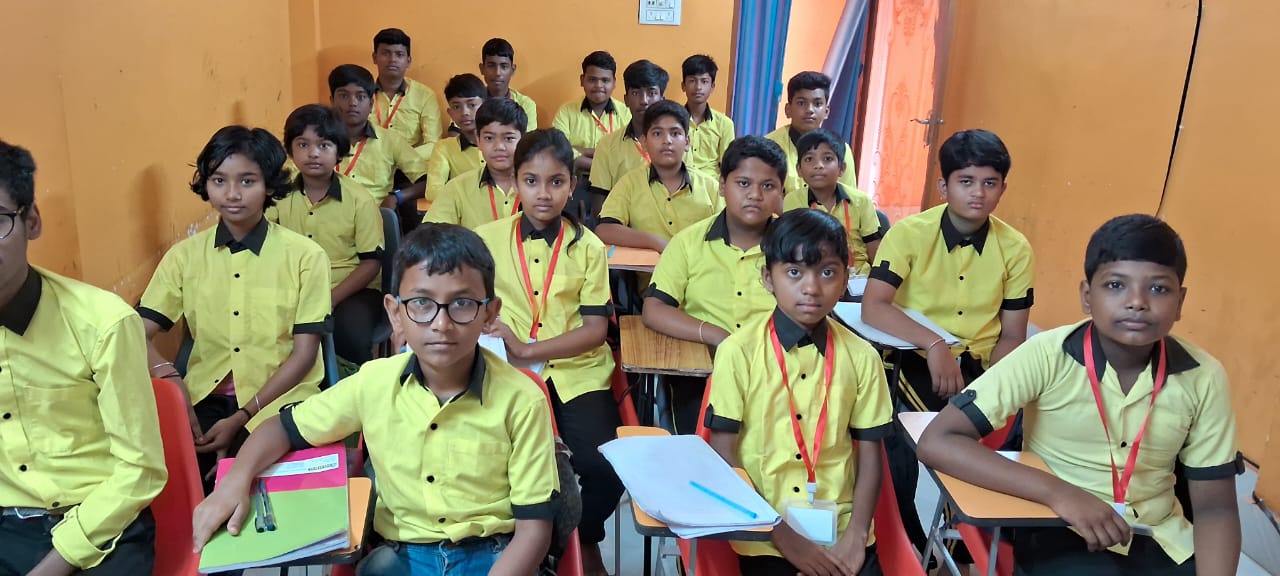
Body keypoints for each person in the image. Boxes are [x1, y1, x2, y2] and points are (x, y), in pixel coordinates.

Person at [192, 223, 559, 576]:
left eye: (462, 303)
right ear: (395, 313)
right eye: (421, 303)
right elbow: (282, 429)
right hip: (403, 556)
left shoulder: (522, 400)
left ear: (490, 314)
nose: (441, 324)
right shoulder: (373, 383)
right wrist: (236, 481)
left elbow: (534, 531)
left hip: (495, 555)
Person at [918, 214, 1242, 576]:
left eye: (1158, 289)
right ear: (1087, 296)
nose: (1137, 302)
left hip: (1160, 537)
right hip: (1059, 525)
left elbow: (1216, 507)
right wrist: (1060, 493)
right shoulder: (1046, 355)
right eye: (1116, 285)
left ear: (1180, 302)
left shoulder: (1204, 376)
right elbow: (937, 441)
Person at [862, 128, 1033, 554]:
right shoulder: (909, 234)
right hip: (913, 356)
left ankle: (968, 548)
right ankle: (907, 541)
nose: (978, 193)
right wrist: (935, 344)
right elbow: (874, 307)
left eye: (990, 183)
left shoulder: (1015, 248)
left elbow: (1013, 334)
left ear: (1003, 189)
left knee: (1009, 439)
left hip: (982, 367)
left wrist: (994, 389)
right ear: (944, 186)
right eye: (966, 181)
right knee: (903, 439)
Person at [0, 140, 166, 575]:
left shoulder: (103, 323)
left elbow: (140, 470)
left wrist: (51, 566)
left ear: (31, 221)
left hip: (100, 518)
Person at [138, 126, 332, 492]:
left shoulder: (306, 257)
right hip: (204, 400)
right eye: (219, 180)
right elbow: (136, 332)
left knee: (261, 488)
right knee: (178, 484)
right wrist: (171, 379)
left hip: (280, 401)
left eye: (247, 181)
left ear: (269, 186)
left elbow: (304, 355)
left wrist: (243, 416)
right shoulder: (184, 257)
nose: (231, 194)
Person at [707, 209, 892, 576]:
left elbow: (871, 455)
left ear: (845, 279)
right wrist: (781, 535)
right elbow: (723, 453)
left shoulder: (863, 357)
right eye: (794, 272)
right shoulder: (738, 352)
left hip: (841, 527)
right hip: (763, 525)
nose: (811, 288)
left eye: (827, 272)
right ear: (768, 278)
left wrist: (856, 535)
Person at [475, 129, 622, 576]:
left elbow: (595, 330)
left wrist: (529, 347)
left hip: (576, 371)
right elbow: (465, 301)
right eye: (531, 181)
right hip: (504, 371)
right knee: (497, 463)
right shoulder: (485, 240)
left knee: (604, 469)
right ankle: (525, 544)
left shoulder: (589, 247)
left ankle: (581, 537)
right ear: (515, 182)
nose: (543, 193)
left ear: (572, 185)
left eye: (556, 181)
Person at [642, 136, 787, 434]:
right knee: (703, 446)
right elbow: (654, 309)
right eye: (743, 183)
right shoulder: (688, 242)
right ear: (722, 186)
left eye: (768, 186)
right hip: (705, 370)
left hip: (780, 371)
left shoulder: (795, 249)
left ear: (782, 192)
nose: (755, 195)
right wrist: (717, 336)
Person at [267, 104, 384, 364]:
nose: (313, 153)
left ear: (339, 152)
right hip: (294, 285)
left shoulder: (360, 200)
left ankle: (350, 384)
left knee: (350, 334)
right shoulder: (279, 196)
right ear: (290, 151)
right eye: (303, 145)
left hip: (350, 289)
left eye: (324, 145)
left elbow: (371, 263)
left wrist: (330, 299)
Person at [595, 99, 721, 252]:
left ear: (687, 142)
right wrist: (655, 242)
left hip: (698, 266)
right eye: (657, 133)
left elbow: (730, 232)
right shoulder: (630, 183)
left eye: (675, 133)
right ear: (644, 142)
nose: (667, 140)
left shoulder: (710, 187)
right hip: (650, 267)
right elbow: (604, 229)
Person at [328, 64, 429, 209]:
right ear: (332, 101)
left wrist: (397, 196)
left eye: (360, 96)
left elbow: (428, 181)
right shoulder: (318, 141)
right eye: (344, 96)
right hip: (326, 215)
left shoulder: (391, 140)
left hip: (374, 216)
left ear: (371, 104)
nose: (352, 103)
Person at [785, 129, 881, 273]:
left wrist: (878, 279)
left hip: (858, 276)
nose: (818, 165)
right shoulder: (792, 201)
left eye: (827, 159)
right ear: (799, 169)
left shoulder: (861, 201)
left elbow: (874, 247)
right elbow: (791, 248)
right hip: (812, 275)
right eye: (809, 159)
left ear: (841, 168)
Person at [424, 98, 527, 229]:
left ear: (523, 140)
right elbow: (430, 235)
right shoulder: (457, 188)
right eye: (489, 138)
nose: (499, 146)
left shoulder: (541, 187)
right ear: (478, 140)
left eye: (509, 138)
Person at [586, 60, 668, 209]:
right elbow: (600, 205)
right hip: (621, 220)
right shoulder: (607, 145)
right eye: (636, 93)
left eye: (651, 93)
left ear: (662, 99)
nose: (644, 101)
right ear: (626, 100)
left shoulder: (676, 143)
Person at [764, 72, 857, 202]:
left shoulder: (841, 149)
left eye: (817, 104)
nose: (810, 110)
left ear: (826, 111)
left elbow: (848, 200)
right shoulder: (767, 146)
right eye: (801, 103)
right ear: (788, 110)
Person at [552, 50, 630, 175]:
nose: (598, 85)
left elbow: (629, 154)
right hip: (575, 179)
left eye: (605, 80)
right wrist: (603, 159)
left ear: (614, 82)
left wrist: (579, 151)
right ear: (582, 80)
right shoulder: (566, 111)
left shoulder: (626, 113)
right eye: (592, 79)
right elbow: (558, 150)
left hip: (615, 180)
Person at [369, 28, 442, 161]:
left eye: (399, 54)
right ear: (374, 57)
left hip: (411, 168)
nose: (392, 59)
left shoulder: (425, 96)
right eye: (385, 53)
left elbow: (433, 144)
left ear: (408, 61)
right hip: (369, 164)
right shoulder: (362, 95)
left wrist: (400, 159)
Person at [425, 74, 487, 203]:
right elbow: (432, 192)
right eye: (456, 107)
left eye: (472, 105)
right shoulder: (444, 148)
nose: (464, 112)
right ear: (450, 113)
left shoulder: (502, 144)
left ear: (485, 106)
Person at [680, 54, 735, 182]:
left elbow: (728, 165)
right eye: (692, 81)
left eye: (704, 81)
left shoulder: (725, 124)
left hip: (712, 185)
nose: (698, 87)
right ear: (683, 86)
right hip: (681, 182)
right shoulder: (673, 121)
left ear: (712, 86)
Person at [480, 38, 537, 130]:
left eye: (504, 66)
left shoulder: (525, 105)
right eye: (491, 66)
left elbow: (529, 139)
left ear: (512, 70)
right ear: (482, 69)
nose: (497, 73)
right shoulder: (472, 102)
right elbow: (458, 134)